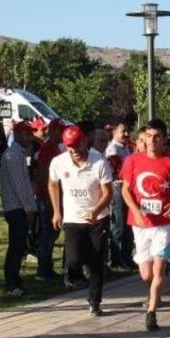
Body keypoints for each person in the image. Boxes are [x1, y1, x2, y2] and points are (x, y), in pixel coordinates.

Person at [120, 120, 170, 331]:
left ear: (164, 138)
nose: (152, 141)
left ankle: (151, 312)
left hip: (165, 223)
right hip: (140, 222)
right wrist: (136, 210)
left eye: (157, 136)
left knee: (159, 268)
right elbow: (125, 190)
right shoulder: (132, 161)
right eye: (149, 136)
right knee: (146, 274)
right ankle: (156, 286)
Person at [48, 125, 114, 316]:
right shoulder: (59, 162)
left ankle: (94, 301)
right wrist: (56, 211)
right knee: (74, 259)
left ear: (85, 141)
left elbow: (108, 193)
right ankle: (83, 263)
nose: (74, 151)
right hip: (73, 218)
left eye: (77, 145)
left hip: (97, 219)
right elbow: (53, 184)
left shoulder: (99, 162)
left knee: (96, 263)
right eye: (69, 147)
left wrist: (96, 210)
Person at [0, 122, 37, 297]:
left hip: (18, 206)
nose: (31, 138)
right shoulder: (13, 155)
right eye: (28, 134)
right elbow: (19, 185)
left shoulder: (18, 154)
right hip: (16, 207)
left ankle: (15, 280)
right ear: (19, 134)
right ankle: (11, 283)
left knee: (19, 246)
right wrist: (28, 207)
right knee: (16, 247)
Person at [33, 119, 65, 281]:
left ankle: (47, 267)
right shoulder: (48, 149)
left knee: (52, 233)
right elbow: (45, 173)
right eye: (60, 131)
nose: (63, 134)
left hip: (52, 196)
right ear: (53, 131)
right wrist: (49, 194)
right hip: (46, 197)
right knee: (48, 232)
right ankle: (43, 269)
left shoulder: (55, 148)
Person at [106, 122, 135, 269]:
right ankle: (116, 259)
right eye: (122, 131)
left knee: (128, 224)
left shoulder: (127, 148)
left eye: (127, 131)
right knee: (118, 225)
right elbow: (118, 170)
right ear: (114, 132)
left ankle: (126, 256)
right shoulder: (112, 149)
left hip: (127, 187)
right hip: (117, 187)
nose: (126, 134)